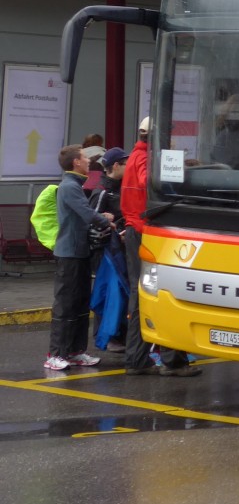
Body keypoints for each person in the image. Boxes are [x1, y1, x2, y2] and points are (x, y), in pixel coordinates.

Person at [121, 117, 201, 378]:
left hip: (137, 230)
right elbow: (152, 183)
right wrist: (177, 171)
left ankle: (137, 358)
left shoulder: (136, 154)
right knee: (163, 293)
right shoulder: (146, 158)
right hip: (147, 232)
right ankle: (171, 360)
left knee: (141, 293)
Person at [44, 144, 114, 371]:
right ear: (75, 162)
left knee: (81, 303)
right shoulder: (69, 187)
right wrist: (106, 221)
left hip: (81, 252)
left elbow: (84, 212)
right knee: (65, 304)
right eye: (84, 157)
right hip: (69, 254)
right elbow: (85, 212)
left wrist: (100, 216)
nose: (87, 161)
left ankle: (75, 351)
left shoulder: (75, 185)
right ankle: (55, 354)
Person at [89, 147, 129, 353]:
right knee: (109, 292)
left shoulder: (123, 188)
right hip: (106, 251)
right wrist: (110, 228)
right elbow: (90, 223)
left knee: (121, 291)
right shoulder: (102, 192)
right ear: (115, 166)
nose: (129, 166)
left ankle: (119, 334)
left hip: (120, 248)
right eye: (125, 163)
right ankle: (106, 335)